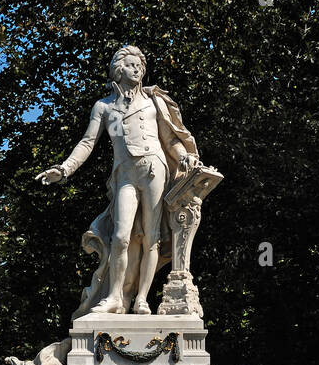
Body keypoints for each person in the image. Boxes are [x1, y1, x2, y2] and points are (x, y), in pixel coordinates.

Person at [36, 45, 200, 316]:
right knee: (120, 237)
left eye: (140, 65)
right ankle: (114, 297)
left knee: (152, 238)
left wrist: (184, 156)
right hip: (124, 175)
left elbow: (170, 139)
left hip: (154, 170)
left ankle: (143, 298)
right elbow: (87, 143)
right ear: (117, 69)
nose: (137, 69)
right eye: (130, 64)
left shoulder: (153, 102)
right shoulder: (104, 107)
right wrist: (64, 169)